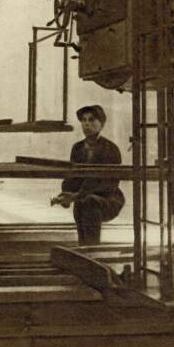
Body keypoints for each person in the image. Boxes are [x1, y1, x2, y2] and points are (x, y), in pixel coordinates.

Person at [51, 104, 125, 245]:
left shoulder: (111, 149)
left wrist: (76, 196)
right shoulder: (77, 148)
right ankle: (84, 248)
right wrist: (65, 194)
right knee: (82, 204)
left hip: (109, 198)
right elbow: (72, 176)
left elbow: (109, 185)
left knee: (89, 202)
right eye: (84, 120)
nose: (87, 124)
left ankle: (91, 249)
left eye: (92, 120)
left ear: (102, 124)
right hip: (83, 198)